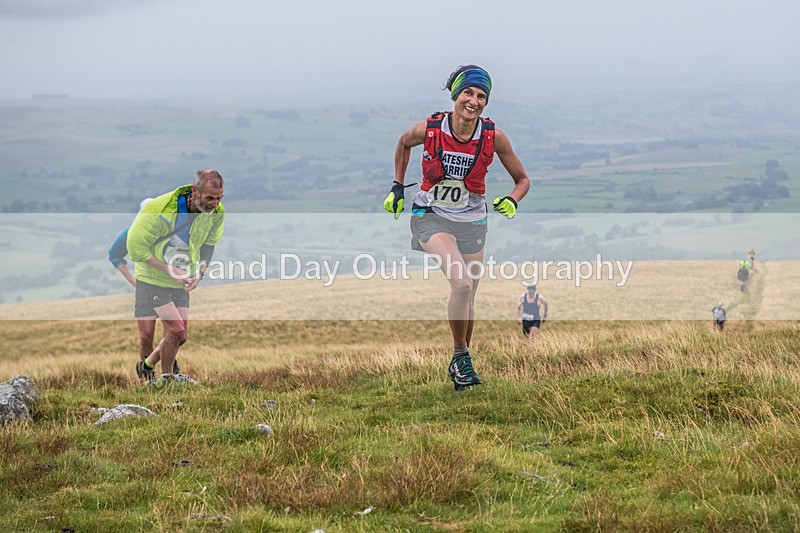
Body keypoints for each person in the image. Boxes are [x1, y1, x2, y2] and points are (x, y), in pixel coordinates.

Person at [385, 64, 530, 391]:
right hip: (431, 215)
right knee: (462, 285)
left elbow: (522, 179)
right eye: (468, 92)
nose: (474, 101)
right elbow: (403, 143)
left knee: (469, 297)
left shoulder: (493, 137)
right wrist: (397, 187)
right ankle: (460, 354)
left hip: (472, 221)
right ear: (456, 94)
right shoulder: (432, 129)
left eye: (481, 96)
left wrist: (513, 200)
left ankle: (461, 365)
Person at [128, 169, 225, 381]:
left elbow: (209, 244)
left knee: (180, 336)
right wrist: (169, 271)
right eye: (210, 198)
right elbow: (135, 249)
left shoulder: (216, 214)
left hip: (181, 278)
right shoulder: (159, 210)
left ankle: (145, 365)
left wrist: (199, 273)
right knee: (177, 331)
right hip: (152, 279)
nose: (214, 204)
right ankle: (168, 380)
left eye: (219, 198)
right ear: (195, 191)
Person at [108, 198, 175, 368]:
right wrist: (132, 280)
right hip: (145, 290)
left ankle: (169, 372)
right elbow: (114, 254)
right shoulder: (131, 233)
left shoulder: (168, 232)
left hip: (167, 288)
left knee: (171, 333)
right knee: (146, 336)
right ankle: (146, 378)